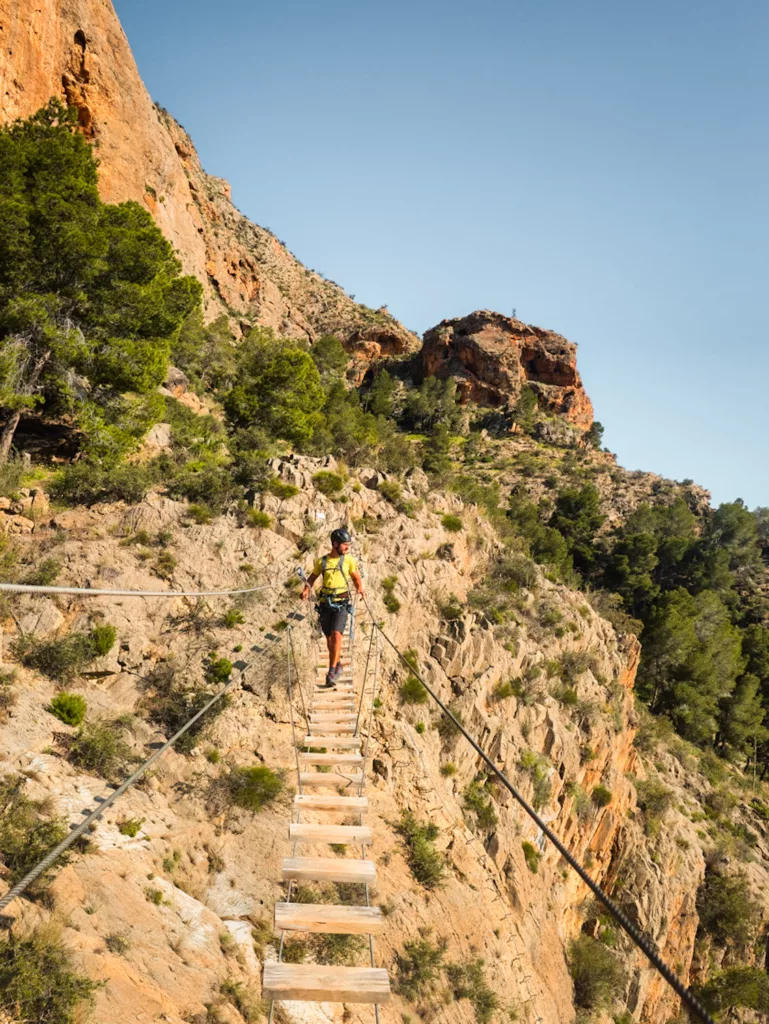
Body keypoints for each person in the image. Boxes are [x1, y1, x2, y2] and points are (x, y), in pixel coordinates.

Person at [301, 528, 364, 686]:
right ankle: (338, 665)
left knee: (336, 636)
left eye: (348, 545)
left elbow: (356, 578)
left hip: (341, 604)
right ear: (335, 544)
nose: (347, 548)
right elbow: (312, 577)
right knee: (330, 641)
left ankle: (331, 672)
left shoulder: (349, 560)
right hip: (325, 605)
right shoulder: (322, 562)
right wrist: (306, 590)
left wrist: (360, 589)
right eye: (344, 545)